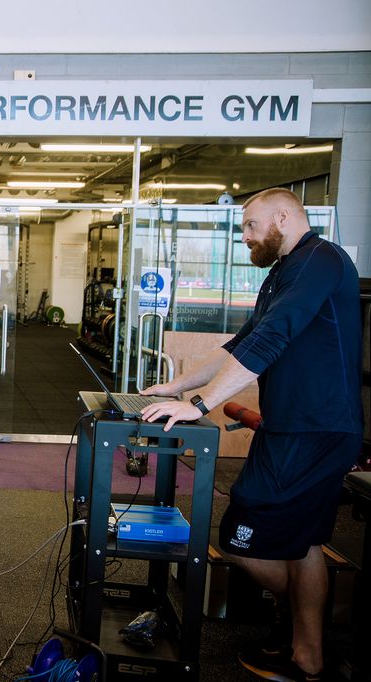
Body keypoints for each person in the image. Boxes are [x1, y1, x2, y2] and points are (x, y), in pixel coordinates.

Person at [139, 188, 362, 682]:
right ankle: (307, 653)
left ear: (284, 217)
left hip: (314, 430)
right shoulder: (286, 270)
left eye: (250, 226)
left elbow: (273, 336)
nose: (245, 238)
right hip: (297, 426)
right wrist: (176, 384)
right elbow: (240, 344)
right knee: (303, 545)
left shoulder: (320, 260)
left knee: (241, 540)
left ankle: (303, 626)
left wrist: (199, 405)